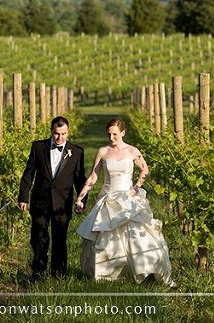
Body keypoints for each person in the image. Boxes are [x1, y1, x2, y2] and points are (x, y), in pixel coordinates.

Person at [75, 118, 173, 283]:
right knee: (106, 237)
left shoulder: (132, 151)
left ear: (123, 133)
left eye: (115, 134)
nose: (111, 138)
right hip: (108, 196)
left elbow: (145, 169)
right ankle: (108, 273)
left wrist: (136, 187)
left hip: (128, 196)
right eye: (109, 134)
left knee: (137, 235)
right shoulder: (102, 151)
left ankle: (144, 270)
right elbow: (93, 176)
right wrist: (81, 197)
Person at [18, 116, 87, 279]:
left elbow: (80, 179)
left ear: (67, 132)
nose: (60, 138)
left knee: (60, 239)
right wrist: (23, 197)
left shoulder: (76, 152)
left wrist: (81, 200)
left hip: (62, 202)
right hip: (39, 201)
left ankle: (58, 274)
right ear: (51, 131)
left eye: (63, 134)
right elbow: (28, 174)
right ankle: (38, 271)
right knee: (38, 237)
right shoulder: (38, 147)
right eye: (57, 134)